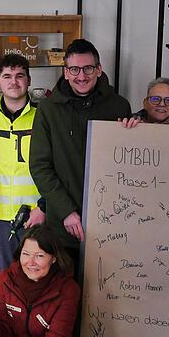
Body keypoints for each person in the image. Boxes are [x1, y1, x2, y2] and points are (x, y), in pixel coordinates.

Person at [29, 39, 131, 250]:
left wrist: (135, 131)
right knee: (66, 283)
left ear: (99, 70)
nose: (81, 76)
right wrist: (66, 211)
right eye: (74, 69)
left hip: (111, 222)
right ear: (65, 72)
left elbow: (129, 164)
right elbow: (40, 166)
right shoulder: (48, 109)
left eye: (88, 68)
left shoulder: (119, 106)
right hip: (63, 225)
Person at [0, 54, 46, 275]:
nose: (14, 82)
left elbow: (56, 168)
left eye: (20, 76)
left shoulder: (43, 118)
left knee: (38, 279)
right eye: (7, 76)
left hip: (36, 217)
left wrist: (43, 207)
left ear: (29, 80)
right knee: (5, 280)